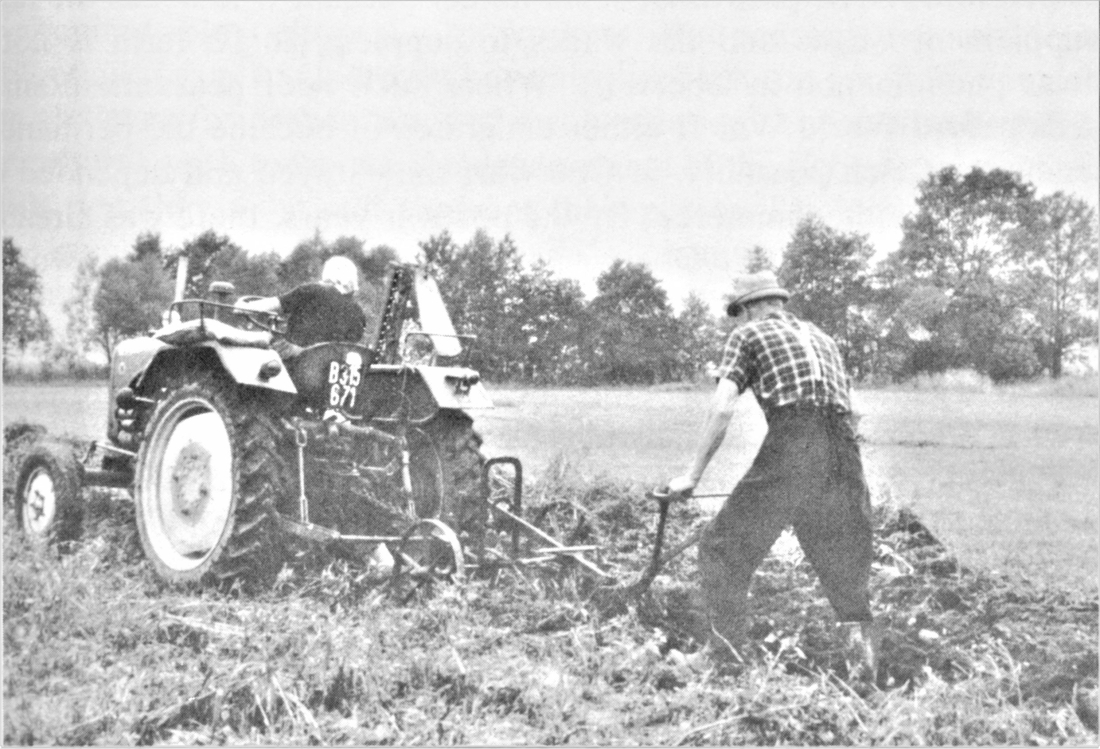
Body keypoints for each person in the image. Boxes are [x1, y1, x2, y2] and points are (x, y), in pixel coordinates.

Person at [664, 270, 877, 675]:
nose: (739, 322)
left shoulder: (748, 335)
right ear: (778, 301)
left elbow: (724, 406)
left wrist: (692, 476)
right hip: (844, 449)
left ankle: (720, 659)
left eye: (739, 315)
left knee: (722, 548)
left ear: (749, 308)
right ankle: (864, 669)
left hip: (795, 441)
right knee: (842, 559)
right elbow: (851, 411)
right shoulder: (823, 338)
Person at [236, 255, 367, 360]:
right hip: (329, 372)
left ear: (327, 274)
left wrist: (244, 306)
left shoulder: (311, 290)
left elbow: (275, 304)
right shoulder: (359, 313)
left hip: (296, 359)